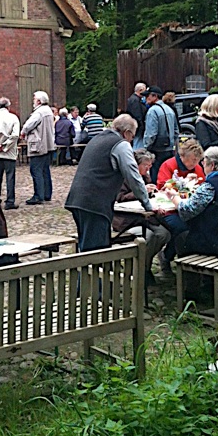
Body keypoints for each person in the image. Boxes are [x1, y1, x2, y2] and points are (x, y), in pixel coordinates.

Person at [65, 114, 155, 252]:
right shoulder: (121, 144)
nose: (131, 141)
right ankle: (90, 274)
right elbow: (134, 177)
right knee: (97, 253)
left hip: (78, 199)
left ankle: (84, 273)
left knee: (87, 249)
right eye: (132, 137)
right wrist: (148, 205)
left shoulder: (98, 138)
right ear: (126, 133)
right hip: (95, 203)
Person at [112, 149, 171, 286]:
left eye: (150, 166)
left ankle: (144, 264)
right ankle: (142, 269)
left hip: (144, 218)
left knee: (164, 234)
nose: (148, 169)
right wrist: (141, 191)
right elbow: (120, 198)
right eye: (146, 166)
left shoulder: (145, 177)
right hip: (127, 220)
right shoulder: (125, 177)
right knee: (148, 237)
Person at [21, 90, 55, 205]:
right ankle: (47, 193)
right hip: (48, 144)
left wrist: (23, 132)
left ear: (39, 101)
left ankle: (38, 195)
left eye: (34, 99)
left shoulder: (39, 112)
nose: (33, 101)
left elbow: (27, 126)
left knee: (36, 170)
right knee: (45, 170)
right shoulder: (49, 111)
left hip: (38, 145)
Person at [143, 86, 179, 184]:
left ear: (155, 96)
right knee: (167, 178)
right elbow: (176, 131)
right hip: (169, 150)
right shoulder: (169, 109)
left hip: (156, 150)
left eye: (148, 96)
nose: (146, 99)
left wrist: (146, 148)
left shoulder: (152, 111)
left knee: (156, 177)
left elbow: (151, 134)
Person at [126, 83, 148, 149]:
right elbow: (137, 115)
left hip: (136, 127)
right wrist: (141, 127)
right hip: (138, 129)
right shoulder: (135, 100)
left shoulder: (134, 99)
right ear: (140, 90)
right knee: (138, 145)